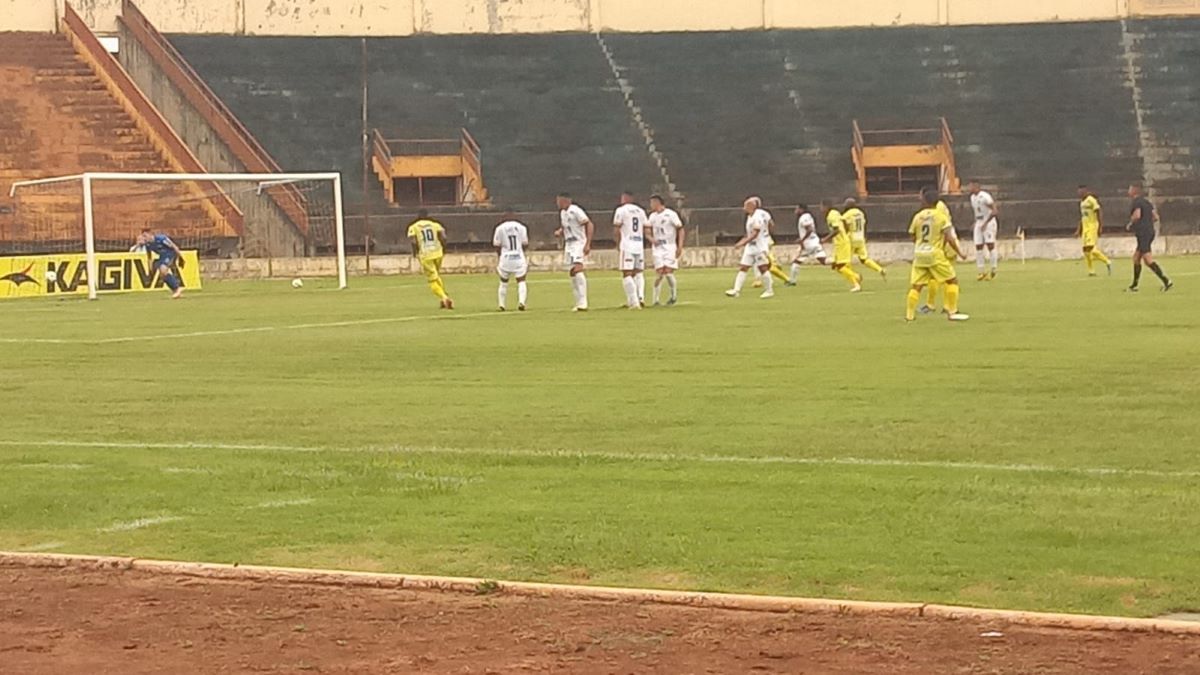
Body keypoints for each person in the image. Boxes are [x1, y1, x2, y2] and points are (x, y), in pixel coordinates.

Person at [906, 188, 970, 322]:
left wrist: (920, 245)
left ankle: (910, 315)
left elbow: (912, 235)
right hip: (935, 254)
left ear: (925, 200)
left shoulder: (918, 216)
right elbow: (949, 237)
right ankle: (952, 311)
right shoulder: (941, 216)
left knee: (916, 286)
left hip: (919, 253)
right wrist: (960, 252)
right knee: (952, 280)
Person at [1125, 182, 1172, 292]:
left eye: (1129, 189)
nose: (1128, 191)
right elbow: (1155, 217)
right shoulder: (1147, 202)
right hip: (1150, 232)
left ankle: (1166, 281)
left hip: (1143, 233)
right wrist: (1147, 223)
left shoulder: (1136, 202)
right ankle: (1134, 285)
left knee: (1148, 260)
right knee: (1136, 258)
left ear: (1134, 191)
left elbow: (1137, 215)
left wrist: (1130, 224)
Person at [725, 196, 774, 299]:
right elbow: (750, 233)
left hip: (759, 246)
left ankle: (769, 291)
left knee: (763, 268)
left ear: (752, 206)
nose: (744, 208)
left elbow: (755, 233)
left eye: (746, 205)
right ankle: (736, 290)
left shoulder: (757, 217)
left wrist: (743, 242)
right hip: (750, 247)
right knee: (743, 267)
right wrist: (744, 241)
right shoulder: (750, 216)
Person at [554, 193, 593, 311]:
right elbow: (566, 226)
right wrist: (560, 231)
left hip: (578, 243)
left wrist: (587, 243)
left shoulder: (575, 210)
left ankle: (584, 302)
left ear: (566, 200)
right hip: (569, 244)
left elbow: (589, 224)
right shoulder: (563, 213)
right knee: (572, 272)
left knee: (578, 269)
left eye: (559, 200)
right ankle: (578, 302)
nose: (557, 203)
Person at [407, 210, 453, 309]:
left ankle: (444, 297)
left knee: (432, 280)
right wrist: (443, 249)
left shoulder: (414, 226)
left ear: (418, 216)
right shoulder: (435, 225)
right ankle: (443, 298)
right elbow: (444, 237)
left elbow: (414, 242)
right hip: (438, 253)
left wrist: (415, 253)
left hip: (426, 255)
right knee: (436, 275)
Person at [919, 194, 957, 313]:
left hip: (944, 243)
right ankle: (934, 305)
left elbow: (943, 229)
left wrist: (942, 246)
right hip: (941, 243)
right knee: (937, 275)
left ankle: (945, 306)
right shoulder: (939, 206)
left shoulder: (937, 209)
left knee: (946, 277)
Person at [613, 191, 648, 309]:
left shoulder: (621, 210)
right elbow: (646, 228)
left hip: (627, 245)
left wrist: (618, 243)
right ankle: (640, 297)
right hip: (639, 244)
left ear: (625, 198)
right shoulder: (641, 210)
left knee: (626, 273)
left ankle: (634, 302)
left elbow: (617, 228)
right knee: (638, 272)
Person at [648, 194, 684, 306]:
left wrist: (680, 246)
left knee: (668, 272)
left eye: (652, 203)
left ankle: (673, 296)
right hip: (658, 248)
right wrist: (651, 239)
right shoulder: (652, 216)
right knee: (659, 273)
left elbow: (680, 229)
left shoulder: (671, 214)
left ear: (657, 202)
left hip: (669, 246)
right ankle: (655, 300)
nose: (650, 205)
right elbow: (647, 231)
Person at [822, 200, 862, 292]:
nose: (821, 210)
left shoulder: (831, 216)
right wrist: (846, 234)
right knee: (836, 266)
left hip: (841, 243)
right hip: (840, 242)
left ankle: (856, 281)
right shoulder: (836, 213)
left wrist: (825, 239)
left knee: (840, 266)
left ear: (826, 207)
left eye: (822, 207)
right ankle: (856, 278)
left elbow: (836, 230)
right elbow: (845, 223)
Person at [493, 210, 529, 311]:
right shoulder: (522, 227)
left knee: (503, 282)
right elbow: (525, 244)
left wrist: (500, 256)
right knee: (521, 280)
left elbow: (496, 245)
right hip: (518, 257)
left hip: (506, 258)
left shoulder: (499, 228)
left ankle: (501, 305)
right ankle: (521, 302)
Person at [842, 198, 886, 279]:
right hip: (860, 238)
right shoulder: (860, 213)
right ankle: (879, 269)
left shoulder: (847, 215)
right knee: (864, 259)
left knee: (846, 261)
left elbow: (845, 227)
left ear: (848, 205)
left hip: (851, 238)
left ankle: (855, 277)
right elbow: (863, 225)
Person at [136, 229, 185, 299]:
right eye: (143, 236)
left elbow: (174, 247)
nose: (144, 238)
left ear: (150, 234)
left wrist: (181, 258)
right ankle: (175, 291)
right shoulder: (148, 244)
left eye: (145, 236)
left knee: (163, 269)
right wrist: (149, 267)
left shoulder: (161, 239)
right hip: (162, 256)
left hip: (170, 254)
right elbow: (149, 257)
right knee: (162, 275)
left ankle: (177, 288)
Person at [1076, 185, 1112, 277]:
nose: (1079, 193)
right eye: (1078, 191)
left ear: (1085, 191)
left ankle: (1107, 261)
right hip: (1085, 227)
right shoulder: (1082, 202)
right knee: (1085, 250)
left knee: (1092, 249)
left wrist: (1100, 226)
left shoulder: (1091, 200)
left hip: (1092, 226)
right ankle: (1091, 271)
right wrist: (1079, 229)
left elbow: (1099, 212)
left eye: (1081, 191)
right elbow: (1083, 216)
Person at [788, 203, 827, 284]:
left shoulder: (804, 217)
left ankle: (792, 281)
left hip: (808, 244)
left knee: (796, 261)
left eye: (797, 208)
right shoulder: (809, 216)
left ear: (801, 209)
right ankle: (839, 265)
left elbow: (809, 229)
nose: (796, 210)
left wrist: (802, 240)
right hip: (815, 241)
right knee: (823, 260)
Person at [969, 180, 999, 280]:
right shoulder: (972, 197)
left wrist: (986, 223)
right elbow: (977, 212)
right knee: (978, 246)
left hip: (989, 222)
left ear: (977, 186)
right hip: (979, 222)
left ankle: (993, 269)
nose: (970, 188)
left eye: (971, 186)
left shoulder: (985, 196)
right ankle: (981, 271)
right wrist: (976, 222)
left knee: (990, 245)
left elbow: (995, 210)